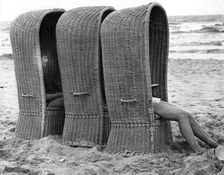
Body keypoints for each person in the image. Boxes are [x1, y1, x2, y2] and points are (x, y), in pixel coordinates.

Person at [152, 96, 219, 153]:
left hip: (150, 98)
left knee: (187, 114)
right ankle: (198, 150)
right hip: (145, 102)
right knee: (182, 115)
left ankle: (212, 143)